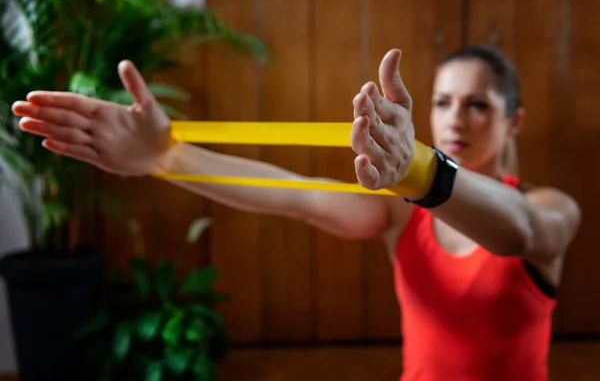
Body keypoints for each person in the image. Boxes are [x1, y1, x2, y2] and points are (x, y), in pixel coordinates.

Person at [11, 43, 581, 381]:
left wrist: (420, 172)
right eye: (442, 101)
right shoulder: (403, 213)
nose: (457, 118)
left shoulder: (551, 207)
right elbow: (295, 192)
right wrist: (168, 157)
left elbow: (520, 232)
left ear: (514, 121)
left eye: (479, 104)